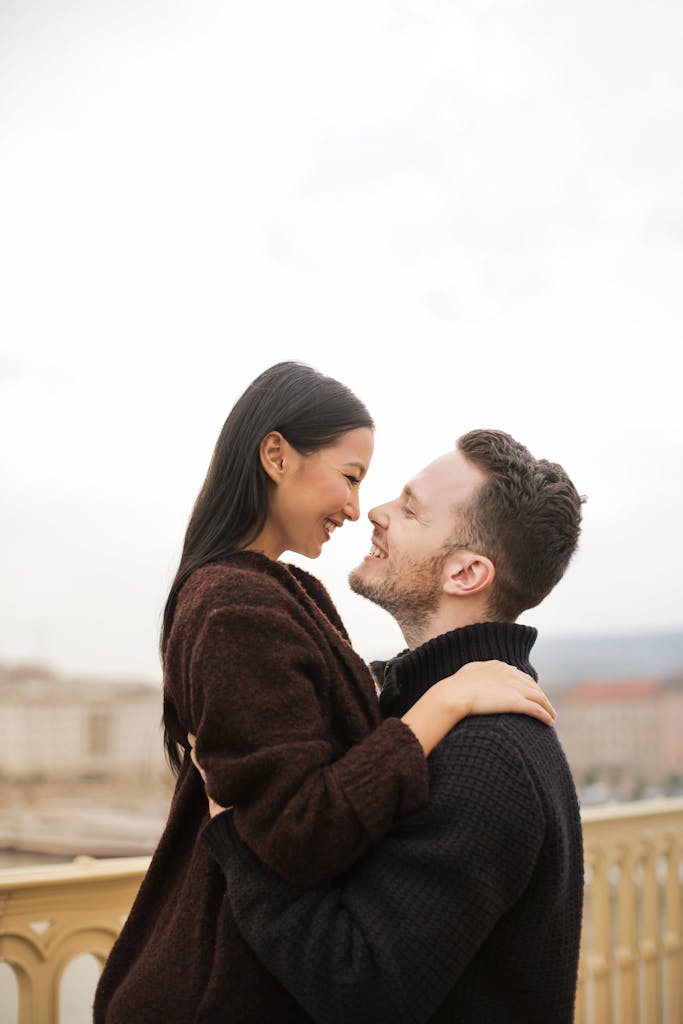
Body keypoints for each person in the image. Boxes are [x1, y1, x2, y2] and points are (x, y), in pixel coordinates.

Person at [93, 366, 554, 1024]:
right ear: (276, 455)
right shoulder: (231, 604)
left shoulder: (290, 593)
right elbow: (301, 833)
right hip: (219, 990)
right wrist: (440, 704)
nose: (356, 505)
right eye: (351, 474)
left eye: (364, 483)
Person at [195, 429, 585, 1024]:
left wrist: (234, 831)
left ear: (465, 573)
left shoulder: (489, 755)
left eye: (409, 510)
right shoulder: (428, 714)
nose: (371, 511)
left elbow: (358, 987)